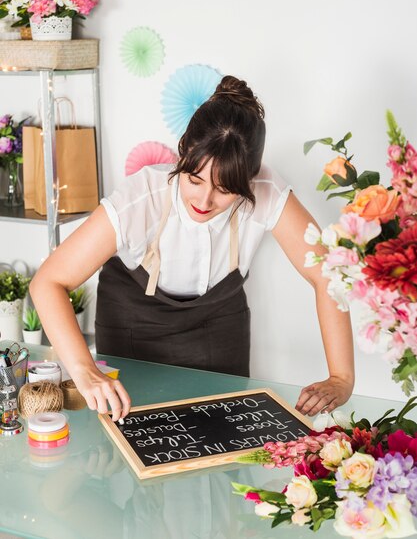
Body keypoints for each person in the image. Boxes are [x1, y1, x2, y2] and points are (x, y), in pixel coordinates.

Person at [30, 75, 354, 423]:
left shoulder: (268, 191)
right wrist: (84, 369)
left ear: (251, 178)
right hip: (132, 324)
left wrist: (342, 377)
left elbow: (328, 275)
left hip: (218, 325)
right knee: (135, 440)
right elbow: (47, 282)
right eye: (194, 179)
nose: (204, 200)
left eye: (225, 189)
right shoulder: (141, 198)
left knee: (223, 438)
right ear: (182, 153)